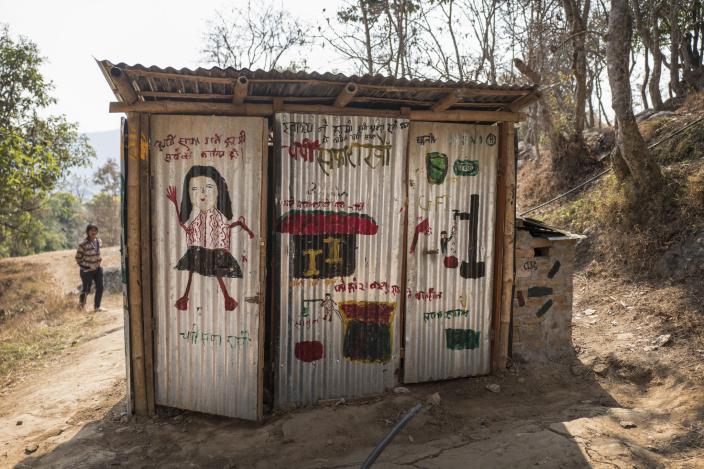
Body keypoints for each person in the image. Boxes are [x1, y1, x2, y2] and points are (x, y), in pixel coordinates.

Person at [166, 165, 254, 312]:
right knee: (193, 270)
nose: (202, 195)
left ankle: (227, 299)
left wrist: (247, 230)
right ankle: (185, 298)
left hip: (215, 250)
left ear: (219, 192)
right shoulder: (199, 217)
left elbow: (226, 226)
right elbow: (184, 226)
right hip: (199, 249)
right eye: (194, 189)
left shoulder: (216, 215)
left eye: (208, 188)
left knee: (215, 272)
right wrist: (175, 203)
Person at [75, 224, 106, 311]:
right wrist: (85, 266)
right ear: (87, 232)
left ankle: (97, 307)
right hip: (87, 270)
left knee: (100, 287)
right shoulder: (83, 244)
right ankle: (81, 306)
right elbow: (78, 258)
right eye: (91, 230)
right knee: (86, 289)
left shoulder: (98, 241)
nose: (93, 232)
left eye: (95, 230)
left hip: (97, 268)